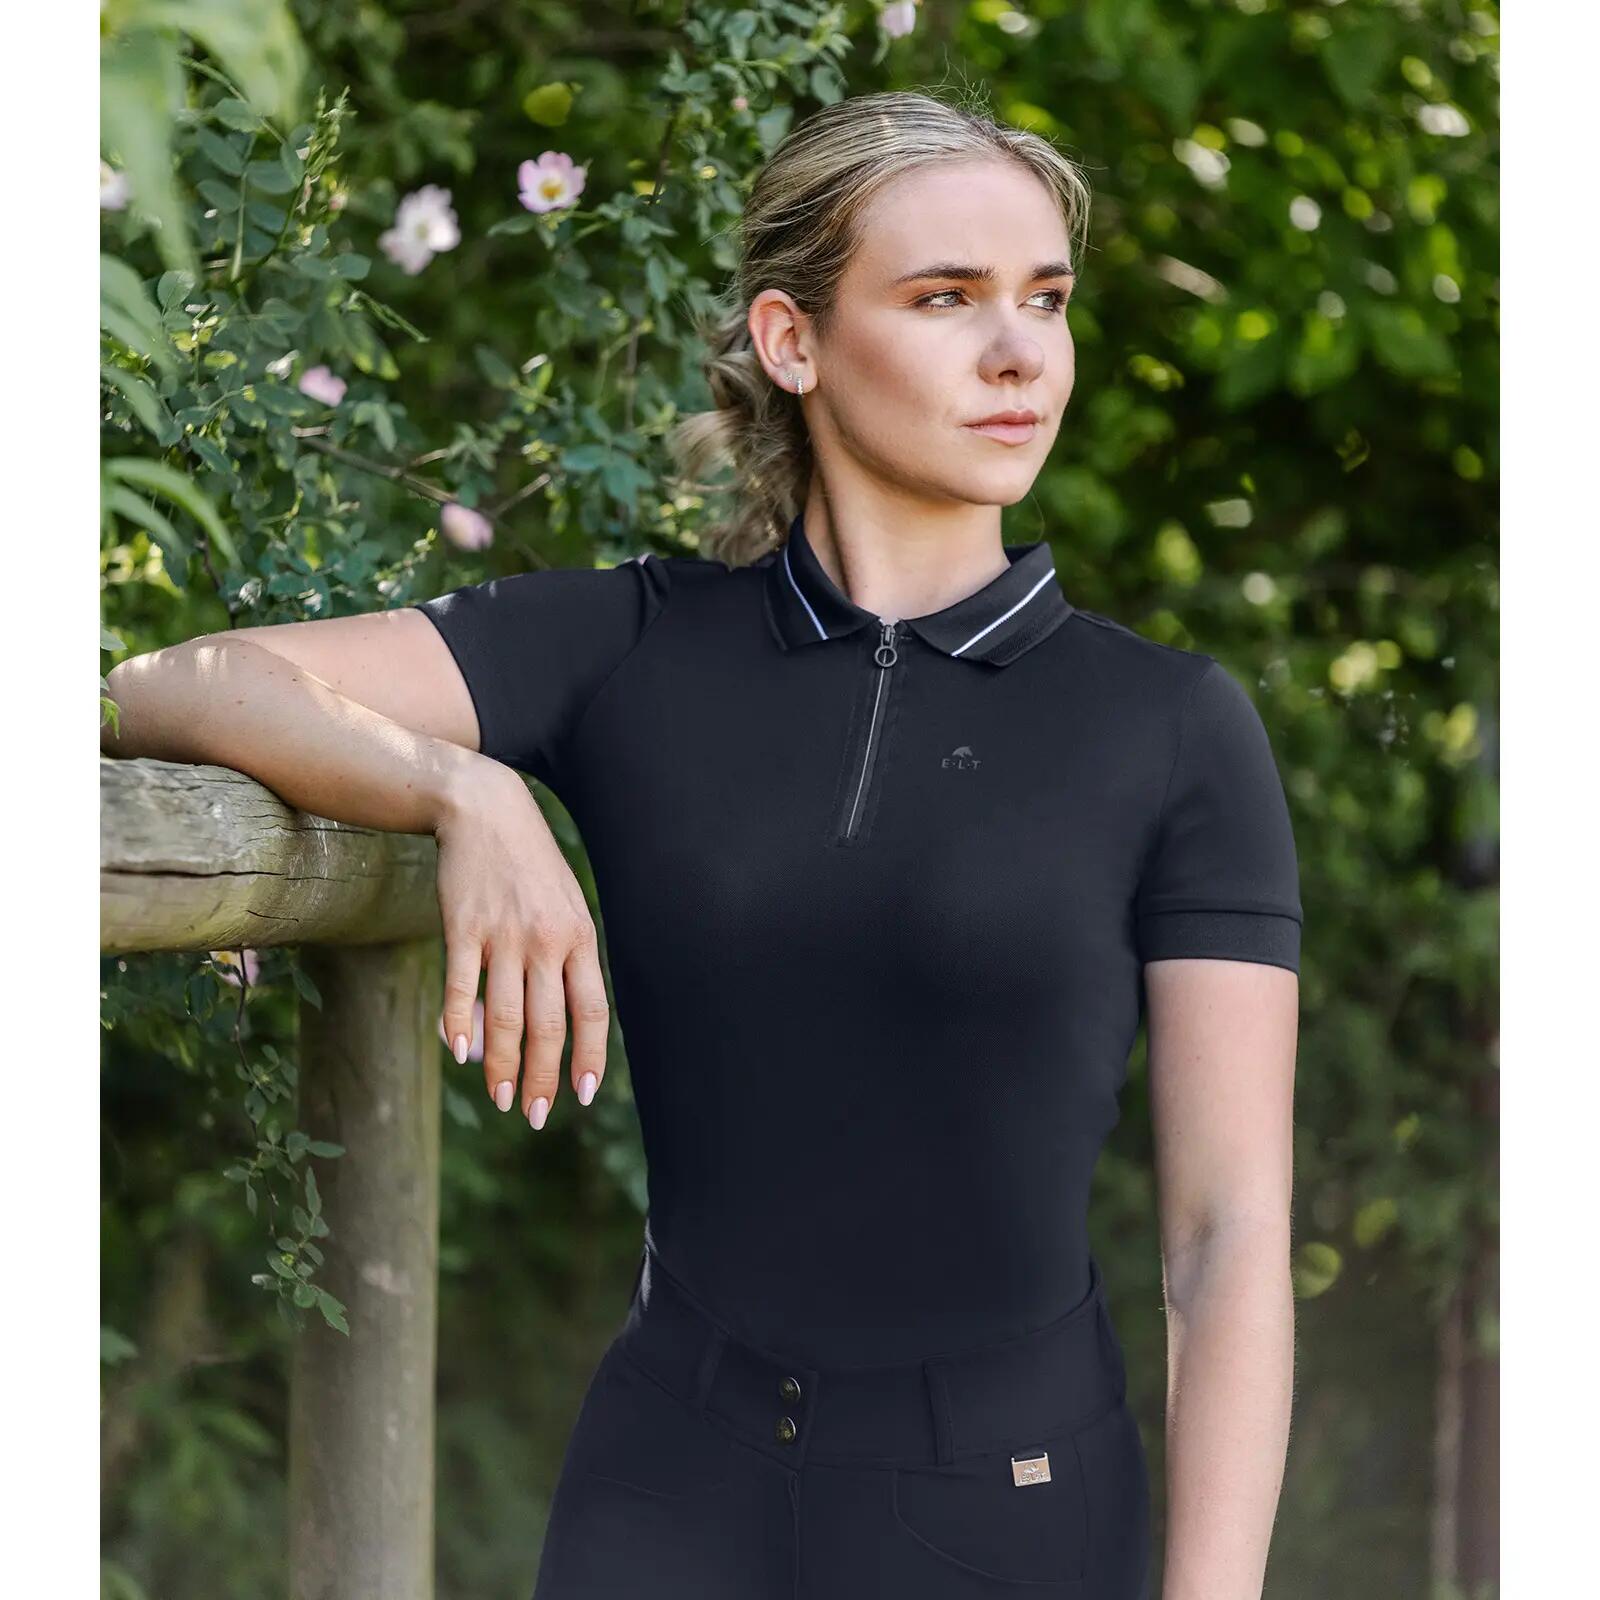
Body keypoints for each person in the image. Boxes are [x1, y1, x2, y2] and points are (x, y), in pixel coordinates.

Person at [103, 89, 1302, 1600]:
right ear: (794, 341)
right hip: (666, 1493)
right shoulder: (633, 647)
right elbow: (166, 685)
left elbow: (1226, 1236)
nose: (1020, 352)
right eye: (947, 298)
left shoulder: (1170, 725)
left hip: (1011, 1515)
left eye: (1046, 299)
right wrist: (464, 792)